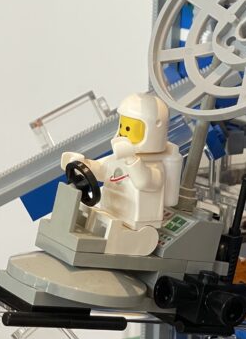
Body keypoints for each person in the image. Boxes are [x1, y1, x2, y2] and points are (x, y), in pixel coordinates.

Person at [61, 93, 182, 256]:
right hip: (110, 213)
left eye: (129, 129)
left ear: (152, 130)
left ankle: (110, 247)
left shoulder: (154, 165)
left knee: (113, 237)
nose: (124, 133)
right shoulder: (118, 158)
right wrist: (84, 163)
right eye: (123, 127)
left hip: (135, 225)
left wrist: (131, 159)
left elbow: (144, 181)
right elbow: (101, 169)